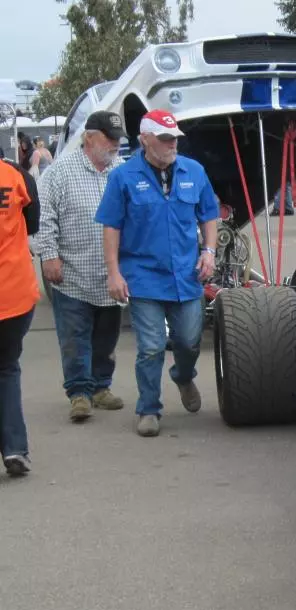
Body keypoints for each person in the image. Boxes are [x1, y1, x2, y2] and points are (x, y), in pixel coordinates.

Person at [95, 110, 220, 438]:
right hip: (143, 276)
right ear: (145, 140)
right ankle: (149, 408)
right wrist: (113, 273)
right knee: (150, 346)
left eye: (174, 138)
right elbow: (111, 227)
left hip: (186, 276)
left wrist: (209, 251)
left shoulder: (194, 171)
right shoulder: (122, 177)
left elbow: (209, 215)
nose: (171, 144)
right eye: (165, 139)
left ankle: (182, 375)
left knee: (189, 340)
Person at [34, 111, 127, 422]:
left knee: (106, 336)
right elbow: (44, 219)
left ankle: (101, 387)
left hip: (110, 275)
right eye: (109, 139)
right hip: (71, 273)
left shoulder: (121, 170)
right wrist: (49, 256)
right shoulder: (59, 172)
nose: (114, 145)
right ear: (89, 138)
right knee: (75, 337)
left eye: (117, 139)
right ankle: (79, 393)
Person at [0, 156, 40, 476]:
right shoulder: (16, 176)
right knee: (6, 369)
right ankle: (14, 448)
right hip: (13, 295)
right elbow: (33, 222)